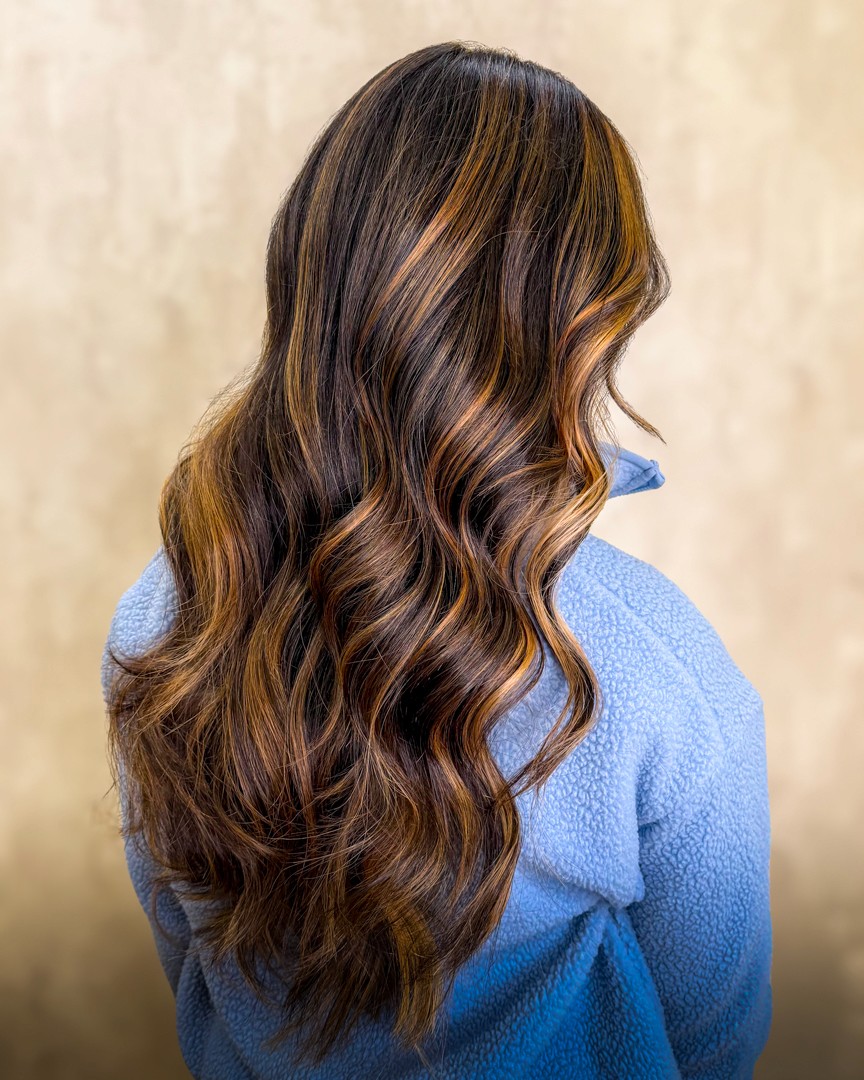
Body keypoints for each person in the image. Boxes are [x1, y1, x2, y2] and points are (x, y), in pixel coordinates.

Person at [100, 41, 773, 1079]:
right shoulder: (656, 672)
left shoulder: (163, 618)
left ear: (314, 276)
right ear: (584, 326)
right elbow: (716, 1037)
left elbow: (182, 953)